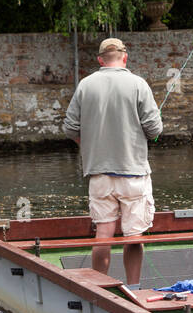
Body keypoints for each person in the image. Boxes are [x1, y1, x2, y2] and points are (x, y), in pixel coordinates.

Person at [62, 37, 162, 285]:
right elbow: (155, 129)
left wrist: (87, 147)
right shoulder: (139, 84)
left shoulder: (85, 85)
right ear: (124, 57)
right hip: (134, 174)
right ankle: (135, 287)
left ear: (100, 60)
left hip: (99, 175)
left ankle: (100, 288)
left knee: (103, 234)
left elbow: (70, 128)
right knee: (134, 236)